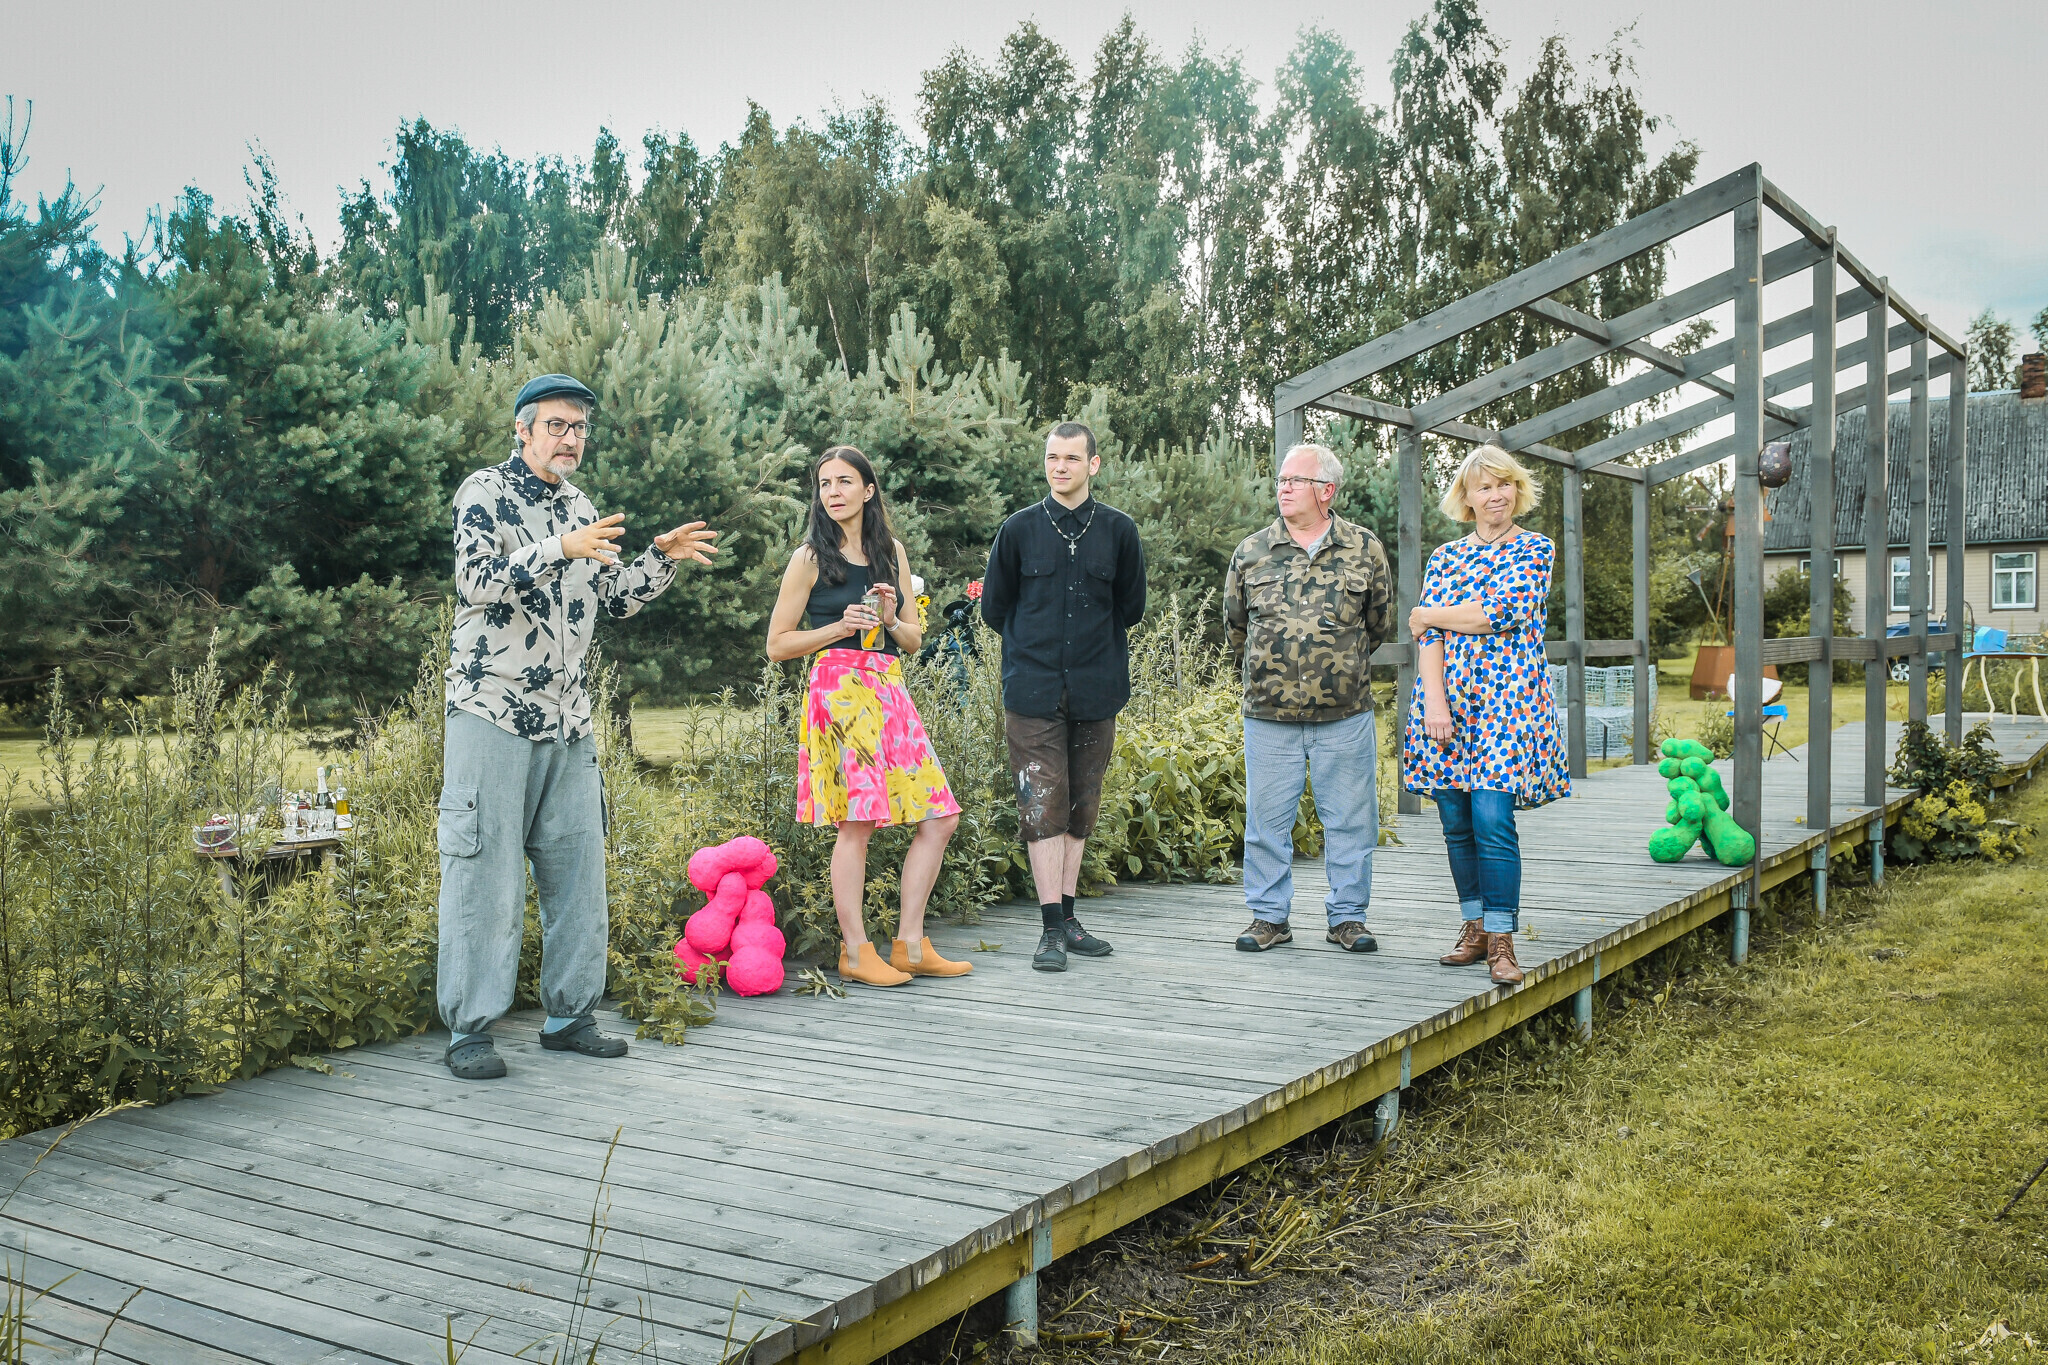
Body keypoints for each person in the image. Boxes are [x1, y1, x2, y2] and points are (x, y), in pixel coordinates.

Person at [439, 373, 719, 1080]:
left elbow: (611, 599)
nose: (571, 439)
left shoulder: (580, 506)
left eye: (580, 428)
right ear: (523, 429)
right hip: (492, 710)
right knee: (484, 877)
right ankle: (470, 1030)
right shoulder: (484, 492)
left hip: (569, 721)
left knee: (577, 875)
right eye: (557, 425)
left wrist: (660, 559)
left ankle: (569, 1016)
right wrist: (559, 548)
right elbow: (476, 579)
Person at [766, 446, 968, 988]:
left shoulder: (890, 552)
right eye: (825, 483)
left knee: (940, 817)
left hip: (887, 684)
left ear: (868, 489)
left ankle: (910, 944)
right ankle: (855, 950)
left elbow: (913, 639)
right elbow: (777, 644)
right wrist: (839, 627)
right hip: (838, 689)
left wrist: (889, 618)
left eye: (844, 482)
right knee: (857, 822)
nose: (833, 492)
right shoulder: (810, 558)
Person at [980, 421, 1146, 973]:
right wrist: (1037, 649)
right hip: (1033, 689)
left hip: (1097, 688)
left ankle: (1070, 919)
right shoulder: (1019, 530)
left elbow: (1131, 607)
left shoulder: (1119, 531)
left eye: (1072, 458)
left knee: (1081, 805)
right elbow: (995, 608)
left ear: (1093, 464)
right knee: (1041, 805)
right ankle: (1050, 927)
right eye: (1053, 457)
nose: (1060, 467)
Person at [1404, 444, 1570, 987]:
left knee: (1493, 820)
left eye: (1505, 484)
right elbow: (1427, 637)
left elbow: (1498, 613)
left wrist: (1431, 613)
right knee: (1455, 822)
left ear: (1516, 490)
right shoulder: (1444, 557)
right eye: (1485, 487)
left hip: (1508, 705)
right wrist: (1434, 701)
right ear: (1467, 498)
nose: (1497, 495)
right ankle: (1473, 928)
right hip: (1445, 704)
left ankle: (1502, 939)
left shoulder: (1535, 549)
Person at [1222, 443, 1393, 955]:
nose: (1284, 487)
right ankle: (1269, 917)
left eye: (1296, 480)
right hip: (1269, 715)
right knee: (1266, 822)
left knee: (1351, 821)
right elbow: (1235, 628)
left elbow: (1378, 624)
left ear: (1327, 491)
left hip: (1344, 715)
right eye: (1281, 479)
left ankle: (1348, 918)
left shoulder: (1364, 549)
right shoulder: (1252, 552)